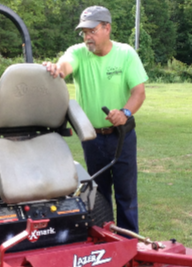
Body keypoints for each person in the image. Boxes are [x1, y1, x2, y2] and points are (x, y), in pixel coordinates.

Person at [43, 5, 148, 233]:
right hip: (92, 138)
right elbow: (65, 65)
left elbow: (139, 93)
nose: (87, 37)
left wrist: (125, 113)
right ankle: (105, 242)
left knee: (126, 194)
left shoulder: (126, 53)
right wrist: (57, 69)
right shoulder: (79, 52)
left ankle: (130, 243)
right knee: (98, 194)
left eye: (92, 31)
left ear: (106, 28)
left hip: (122, 136)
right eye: (84, 32)